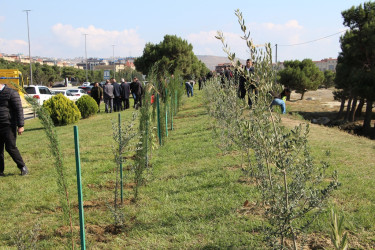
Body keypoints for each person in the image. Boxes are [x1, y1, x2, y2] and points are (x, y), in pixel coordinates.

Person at [0, 83, 28, 176]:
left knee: (10, 147)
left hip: (8, 125)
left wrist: (21, 125)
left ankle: (22, 166)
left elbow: (19, 109)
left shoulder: (11, 93)